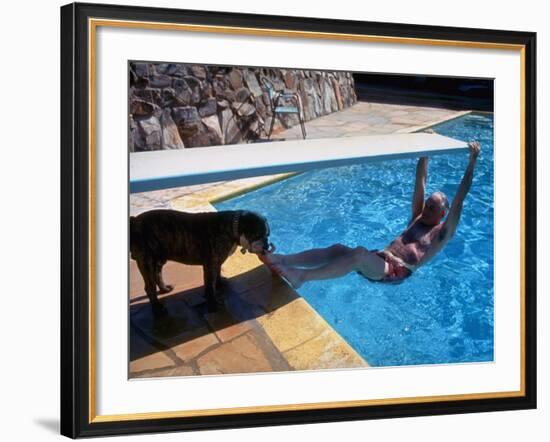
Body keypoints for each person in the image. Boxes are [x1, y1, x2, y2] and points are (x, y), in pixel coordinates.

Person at [262, 140, 481, 289]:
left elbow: (460, 198)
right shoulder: (418, 216)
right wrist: (425, 150)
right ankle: (283, 259)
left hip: (394, 272)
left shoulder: (441, 233)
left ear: (443, 214)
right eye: (427, 204)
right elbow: (421, 181)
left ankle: (302, 276)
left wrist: (472, 161)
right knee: (338, 248)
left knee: (357, 255)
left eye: (432, 208)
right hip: (380, 258)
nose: (426, 208)